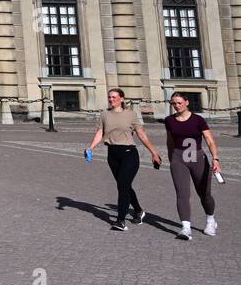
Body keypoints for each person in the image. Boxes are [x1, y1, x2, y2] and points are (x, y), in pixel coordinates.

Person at [86, 87, 161, 231]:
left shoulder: (131, 115)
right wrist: (90, 148)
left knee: (122, 186)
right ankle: (139, 211)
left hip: (129, 153)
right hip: (112, 154)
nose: (111, 99)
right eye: (109, 97)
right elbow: (100, 132)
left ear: (122, 99)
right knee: (125, 186)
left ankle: (120, 221)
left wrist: (153, 152)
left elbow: (141, 134)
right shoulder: (104, 114)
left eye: (114, 97)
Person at [162, 92, 221, 240]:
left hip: (197, 158)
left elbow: (209, 140)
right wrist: (171, 158)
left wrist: (215, 159)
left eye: (180, 102)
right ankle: (186, 228)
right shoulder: (169, 120)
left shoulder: (198, 120)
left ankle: (210, 220)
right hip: (178, 158)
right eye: (174, 103)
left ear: (187, 102)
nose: (177, 106)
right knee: (182, 193)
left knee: (204, 194)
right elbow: (170, 141)